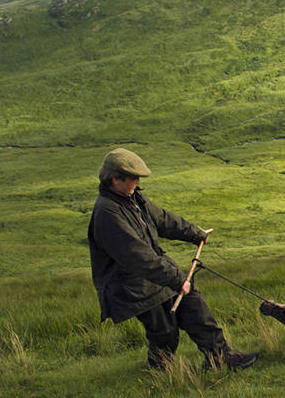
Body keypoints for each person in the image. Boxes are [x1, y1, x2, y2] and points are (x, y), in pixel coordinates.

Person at [88, 148, 258, 370]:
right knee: (164, 332)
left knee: (197, 311)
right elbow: (138, 257)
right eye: (133, 178)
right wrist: (177, 280)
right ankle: (159, 370)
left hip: (157, 276)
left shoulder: (133, 198)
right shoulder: (107, 214)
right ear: (114, 179)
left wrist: (195, 233)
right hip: (133, 286)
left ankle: (220, 358)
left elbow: (163, 220)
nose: (138, 182)